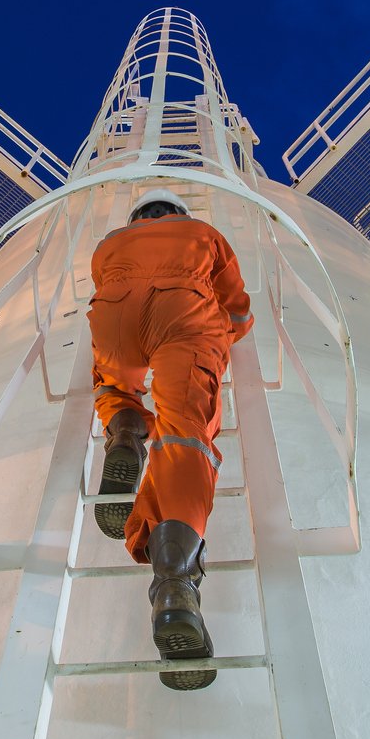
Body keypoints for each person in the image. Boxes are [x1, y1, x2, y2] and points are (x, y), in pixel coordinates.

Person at [87, 187, 253, 690]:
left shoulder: (109, 243)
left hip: (114, 316)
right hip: (182, 314)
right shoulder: (205, 234)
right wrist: (222, 336)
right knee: (185, 438)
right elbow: (238, 310)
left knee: (111, 378)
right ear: (179, 214)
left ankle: (125, 431)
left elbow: (101, 288)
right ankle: (174, 587)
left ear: (137, 217)